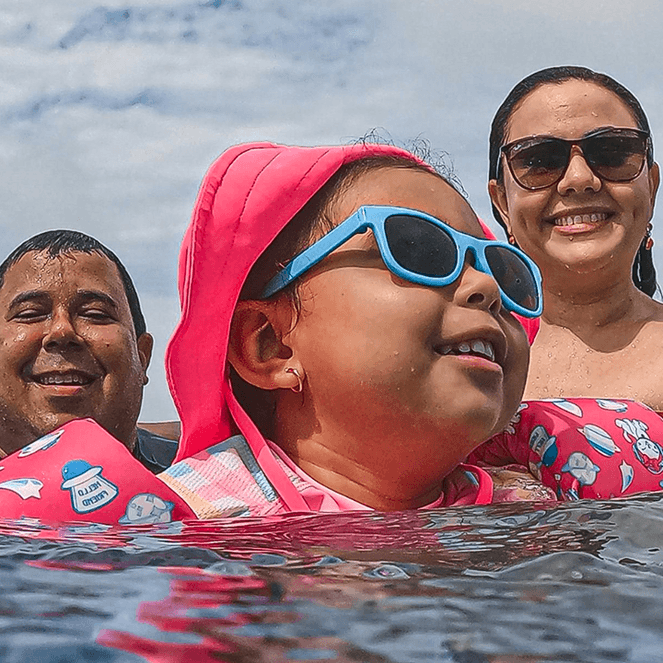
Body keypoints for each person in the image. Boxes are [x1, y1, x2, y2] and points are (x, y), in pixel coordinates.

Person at [157, 140, 552, 517]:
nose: (487, 287)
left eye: (504, 271)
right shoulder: (188, 516)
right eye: (418, 250)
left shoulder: (527, 504)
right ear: (270, 345)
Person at [487, 65, 663, 410]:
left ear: (651, 188)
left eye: (612, 152)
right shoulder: (459, 359)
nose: (579, 179)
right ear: (503, 204)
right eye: (539, 160)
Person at [0, 230, 177, 472]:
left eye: (95, 314)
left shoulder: (210, 485)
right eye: (30, 314)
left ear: (142, 356)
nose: (62, 331)